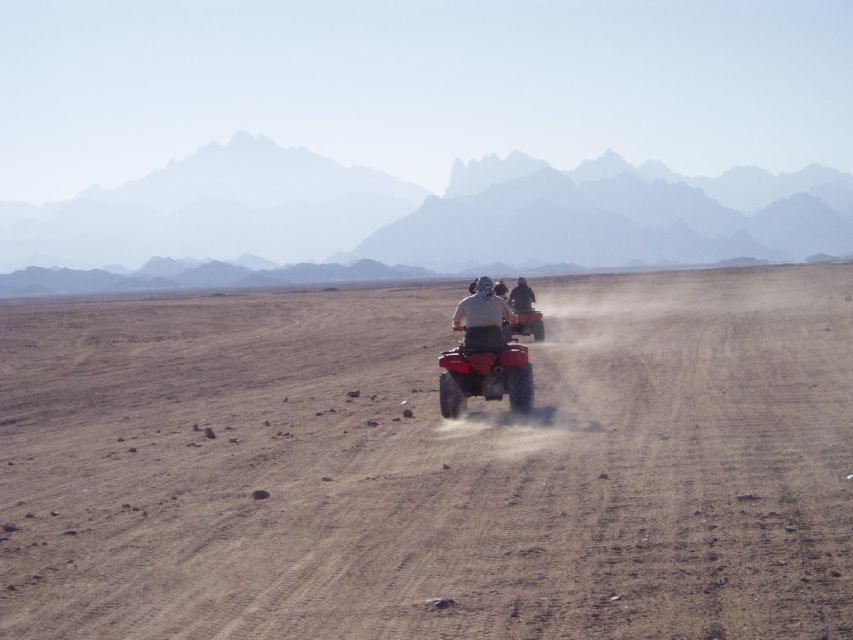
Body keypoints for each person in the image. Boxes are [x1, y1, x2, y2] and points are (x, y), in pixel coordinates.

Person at [452, 276, 517, 351]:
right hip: (496, 342)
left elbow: (456, 323)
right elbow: (513, 320)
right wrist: (513, 321)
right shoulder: (499, 301)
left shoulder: (466, 301)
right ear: (492, 287)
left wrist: (462, 328)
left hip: (472, 343)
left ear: (477, 287)